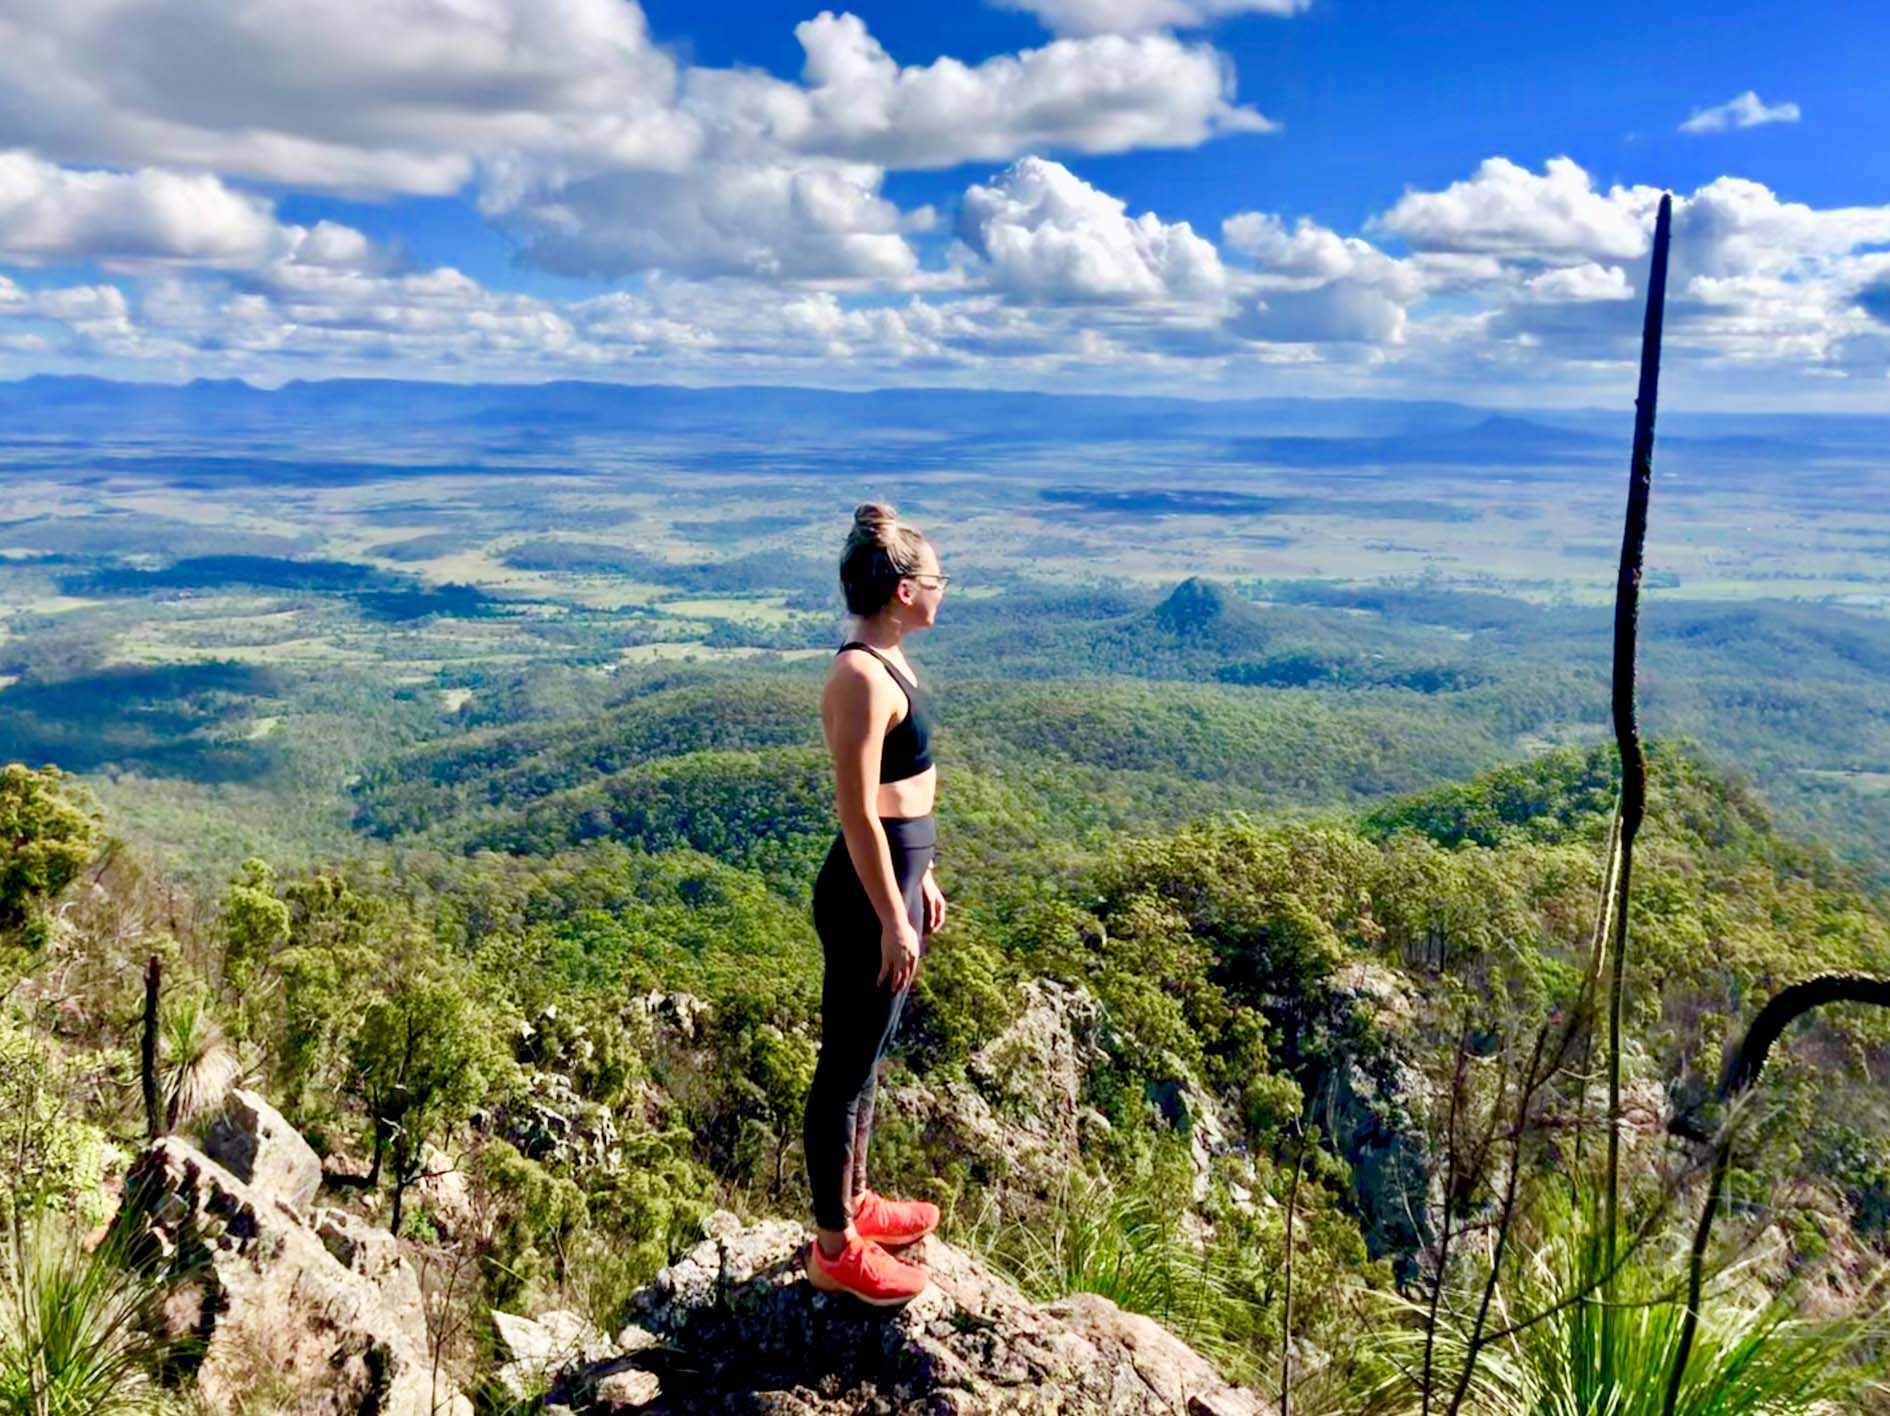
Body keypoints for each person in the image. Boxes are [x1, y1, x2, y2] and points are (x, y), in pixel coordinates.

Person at [801, 502, 952, 1306]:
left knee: (868, 1061)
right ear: (900, 591)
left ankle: (856, 1204)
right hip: (867, 896)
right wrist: (891, 914)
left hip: (892, 881)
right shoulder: (861, 676)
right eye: (934, 578)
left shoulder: (888, 663)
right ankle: (834, 1246)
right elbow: (856, 810)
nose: (942, 589)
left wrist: (918, 878)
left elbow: (900, 794)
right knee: (843, 1070)